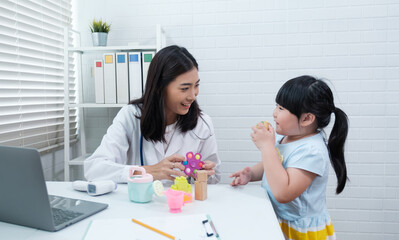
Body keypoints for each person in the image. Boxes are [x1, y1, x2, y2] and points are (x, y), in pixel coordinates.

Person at [229, 76, 348, 240]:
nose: (274, 113)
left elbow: (284, 193)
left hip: (301, 231)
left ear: (307, 118)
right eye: (276, 106)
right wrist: (252, 174)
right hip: (279, 219)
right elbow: (274, 164)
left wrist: (267, 147)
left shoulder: (312, 151)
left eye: (281, 108)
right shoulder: (286, 137)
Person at [84, 45, 221, 184]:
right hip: (140, 203)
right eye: (185, 88)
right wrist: (148, 171)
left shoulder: (202, 123)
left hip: (183, 204)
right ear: (159, 88)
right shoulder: (130, 116)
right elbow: (94, 169)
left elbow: (215, 178)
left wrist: (204, 174)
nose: (193, 96)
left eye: (196, 85)